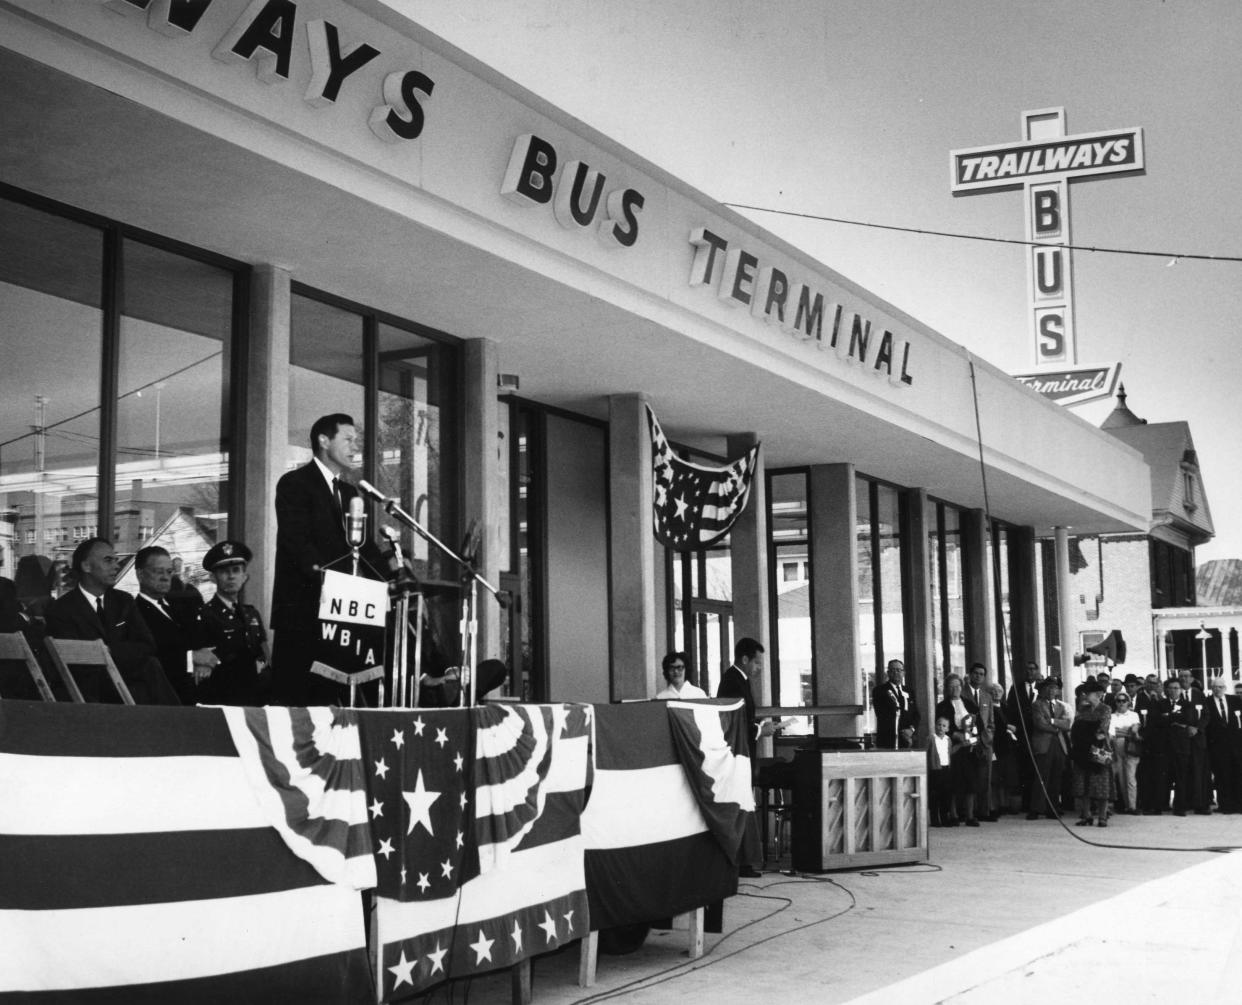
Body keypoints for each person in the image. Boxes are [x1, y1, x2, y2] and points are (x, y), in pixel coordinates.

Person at [271, 413, 384, 706]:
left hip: (343, 620)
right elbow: (298, 544)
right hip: (304, 614)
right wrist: (336, 582)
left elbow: (364, 549)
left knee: (334, 705)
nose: (354, 446)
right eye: (347, 439)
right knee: (298, 704)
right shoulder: (295, 483)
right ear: (323, 440)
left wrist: (391, 577)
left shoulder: (350, 493)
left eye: (355, 440)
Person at [44, 538, 180, 705]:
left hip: (124, 684)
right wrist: (111, 653)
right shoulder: (62, 609)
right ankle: (176, 720)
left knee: (150, 666)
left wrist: (108, 650)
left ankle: (174, 718)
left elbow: (147, 644)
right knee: (148, 673)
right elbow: (76, 662)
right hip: (89, 693)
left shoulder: (124, 601)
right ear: (86, 566)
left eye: (116, 560)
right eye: (108, 560)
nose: (116, 566)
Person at [718, 636, 780, 877]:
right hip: (737, 754)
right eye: (756, 663)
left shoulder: (739, 680)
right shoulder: (732, 681)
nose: (759, 668)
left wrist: (759, 727)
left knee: (744, 804)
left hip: (744, 753)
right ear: (744, 659)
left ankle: (742, 861)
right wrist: (759, 730)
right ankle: (738, 862)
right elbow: (733, 721)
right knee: (740, 805)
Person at [133, 545, 217, 704]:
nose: (165, 577)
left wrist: (205, 660)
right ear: (140, 574)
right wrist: (192, 658)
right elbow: (149, 656)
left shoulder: (181, 608)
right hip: (163, 701)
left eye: (169, 572)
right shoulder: (134, 612)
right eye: (158, 571)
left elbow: (200, 642)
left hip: (195, 696)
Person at [198, 541, 271, 706]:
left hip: (257, 700)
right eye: (224, 571)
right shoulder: (205, 615)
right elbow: (206, 667)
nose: (231, 576)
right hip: (225, 699)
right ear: (213, 577)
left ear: (245, 577)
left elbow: (264, 656)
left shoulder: (251, 614)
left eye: (236, 570)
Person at [935, 673, 981, 826]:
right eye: (952, 686)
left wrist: (972, 737)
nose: (956, 689)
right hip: (953, 747)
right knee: (954, 782)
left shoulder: (970, 703)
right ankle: (953, 814)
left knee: (971, 781)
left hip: (970, 747)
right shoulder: (942, 706)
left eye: (958, 685)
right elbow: (941, 727)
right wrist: (956, 735)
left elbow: (977, 724)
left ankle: (970, 815)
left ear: (962, 687)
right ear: (947, 688)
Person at [1070, 679, 1113, 827]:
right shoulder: (1083, 710)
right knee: (1083, 783)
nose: (1086, 695)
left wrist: (1088, 737)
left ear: (1099, 694)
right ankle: (1086, 815)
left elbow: (1103, 730)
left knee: (1101, 782)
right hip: (1082, 748)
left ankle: (1102, 816)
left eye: (1089, 693)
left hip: (1099, 748)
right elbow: (1074, 729)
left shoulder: (1105, 709)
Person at [1027, 677, 1070, 820]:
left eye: (1054, 688)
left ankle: (1053, 808)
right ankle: (1036, 808)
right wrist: (1056, 727)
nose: (1051, 691)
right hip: (1044, 744)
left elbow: (1067, 724)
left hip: (1059, 744)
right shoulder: (1037, 705)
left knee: (1056, 777)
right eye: (1048, 688)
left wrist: (1051, 721)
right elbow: (1039, 723)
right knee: (1041, 776)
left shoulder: (1061, 706)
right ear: (1043, 689)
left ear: (1058, 690)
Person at [1167, 677, 1210, 816]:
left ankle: (1196, 804)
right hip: (1173, 744)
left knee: (1193, 774)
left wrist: (1193, 727)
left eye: (1176, 688)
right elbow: (1164, 720)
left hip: (1191, 742)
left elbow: (1192, 719)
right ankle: (1179, 805)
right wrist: (1178, 722)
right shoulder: (1163, 702)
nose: (1174, 690)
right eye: (1171, 688)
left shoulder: (1194, 699)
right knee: (1178, 775)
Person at [873, 658, 918, 749]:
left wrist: (911, 730)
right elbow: (881, 714)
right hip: (887, 740)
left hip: (907, 740)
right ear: (888, 673)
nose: (896, 673)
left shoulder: (909, 691)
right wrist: (901, 731)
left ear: (903, 673)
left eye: (899, 670)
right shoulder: (880, 691)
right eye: (893, 670)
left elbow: (916, 714)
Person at [1109, 689, 1142, 814]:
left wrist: (1123, 732)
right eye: (1119, 701)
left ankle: (1132, 806)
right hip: (1117, 747)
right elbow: (1112, 733)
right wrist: (1126, 731)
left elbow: (1134, 730)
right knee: (1121, 778)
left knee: (1131, 778)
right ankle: (1125, 805)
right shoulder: (1112, 716)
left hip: (1131, 748)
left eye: (1124, 701)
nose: (1121, 703)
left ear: (1128, 702)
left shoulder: (1134, 715)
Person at [926, 716, 958, 827]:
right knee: (935, 795)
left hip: (946, 769)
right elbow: (927, 752)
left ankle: (945, 818)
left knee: (946, 795)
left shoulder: (948, 740)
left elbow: (950, 752)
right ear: (935, 725)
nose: (940, 727)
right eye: (939, 724)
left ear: (947, 729)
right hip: (935, 769)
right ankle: (935, 819)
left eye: (944, 726)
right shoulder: (931, 738)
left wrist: (961, 745)